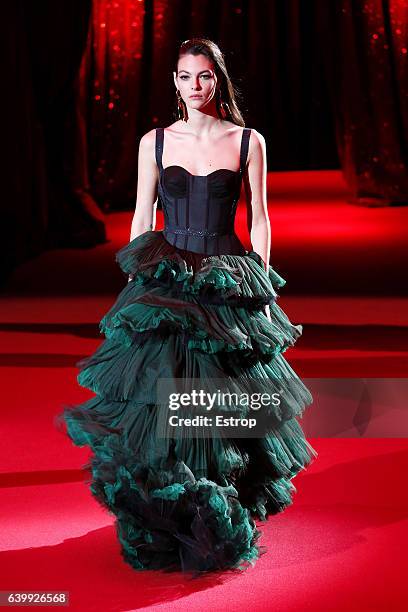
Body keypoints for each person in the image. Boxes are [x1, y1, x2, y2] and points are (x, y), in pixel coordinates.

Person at [55, 37, 318, 576]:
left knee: (224, 403)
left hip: (226, 277)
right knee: (159, 402)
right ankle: (170, 517)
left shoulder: (248, 142)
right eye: (183, 76)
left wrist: (263, 291)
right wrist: (135, 283)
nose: (193, 86)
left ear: (217, 79)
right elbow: (140, 215)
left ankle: (214, 513)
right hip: (167, 279)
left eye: (202, 76)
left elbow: (261, 220)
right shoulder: (154, 141)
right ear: (174, 82)